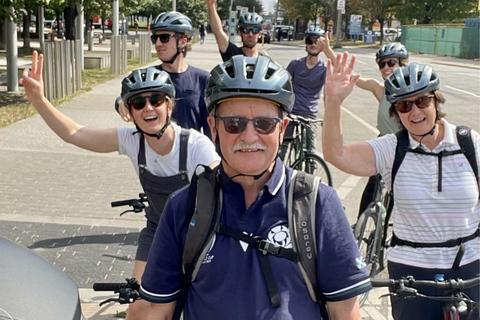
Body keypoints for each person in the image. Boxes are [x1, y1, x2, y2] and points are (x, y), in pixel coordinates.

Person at [138, 55, 371, 319]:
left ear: (282, 128)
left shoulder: (317, 203)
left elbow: (345, 313)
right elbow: (157, 311)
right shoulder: (184, 205)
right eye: (233, 123)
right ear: (213, 127)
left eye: (264, 123)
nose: (249, 137)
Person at [20, 52, 220, 320]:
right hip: (158, 231)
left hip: (197, 236)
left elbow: (225, 190)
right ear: (129, 112)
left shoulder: (195, 146)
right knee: (138, 309)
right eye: (138, 102)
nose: (148, 108)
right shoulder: (131, 140)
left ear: (169, 106)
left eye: (156, 100)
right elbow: (74, 134)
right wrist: (39, 100)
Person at [322, 52, 479, 320]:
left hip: (469, 267)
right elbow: (336, 154)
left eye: (422, 101)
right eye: (404, 106)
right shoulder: (394, 148)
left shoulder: (468, 143)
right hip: (412, 271)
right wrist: (334, 101)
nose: (415, 111)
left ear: (435, 101)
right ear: (396, 112)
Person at [116, 11, 212, 139]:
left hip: (190, 154)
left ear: (182, 41)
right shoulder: (149, 76)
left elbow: (210, 130)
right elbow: (125, 97)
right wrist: (121, 102)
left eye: (164, 38)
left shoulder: (202, 79)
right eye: (155, 38)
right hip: (152, 154)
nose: (158, 44)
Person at [355, 43, 409, 216]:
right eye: (382, 64)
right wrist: (327, 51)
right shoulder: (380, 89)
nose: (386, 68)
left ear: (402, 64)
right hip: (385, 142)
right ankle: (360, 230)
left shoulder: (411, 92)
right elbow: (354, 78)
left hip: (406, 145)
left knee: (402, 196)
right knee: (372, 188)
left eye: (391, 63)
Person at [279, 26, 336, 159]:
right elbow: (283, 85)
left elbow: (327, 94)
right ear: (306, 43)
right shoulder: (295, 64)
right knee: (282, 147)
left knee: (310, 152)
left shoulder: (325, 68)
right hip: (291, 111)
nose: (313, 44)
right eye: (310, 41)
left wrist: (328, 117)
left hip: (310, 114)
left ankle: (310, 170)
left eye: (317, 42)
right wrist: (282, 109)